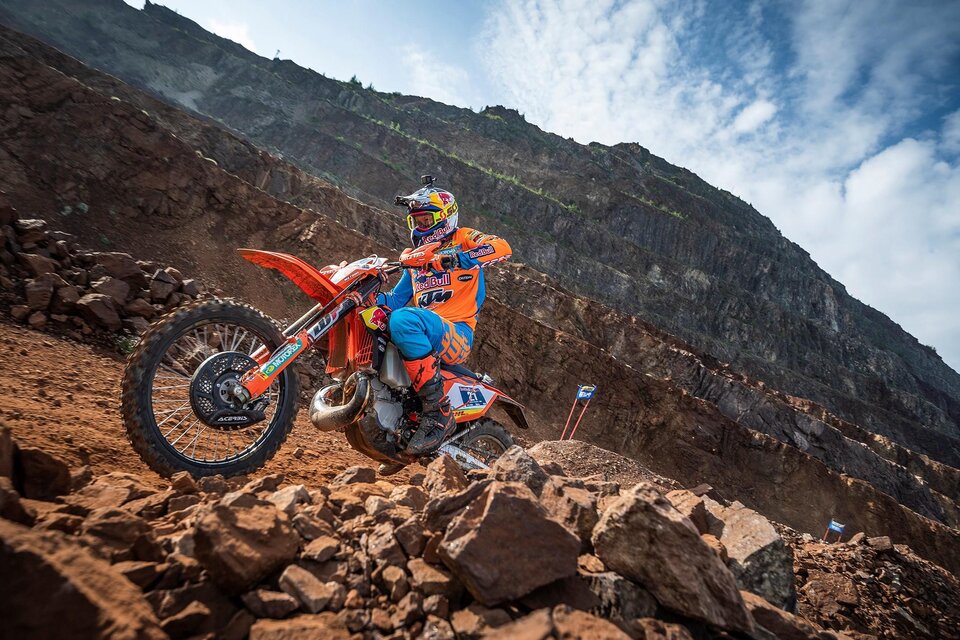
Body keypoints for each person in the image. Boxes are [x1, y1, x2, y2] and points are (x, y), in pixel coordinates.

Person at [372, 179, 511, 457]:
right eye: (416, 221)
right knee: (375, 318)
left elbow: (502, 247)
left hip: (456, 334)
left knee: (402, 320)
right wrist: (366, 293)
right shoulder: (416, 260)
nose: (421, 226)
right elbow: (395, 300)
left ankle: (438, 413)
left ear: (446, 217)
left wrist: (459, 258)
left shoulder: (463, 238)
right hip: (424, 329)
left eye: (426, 219)